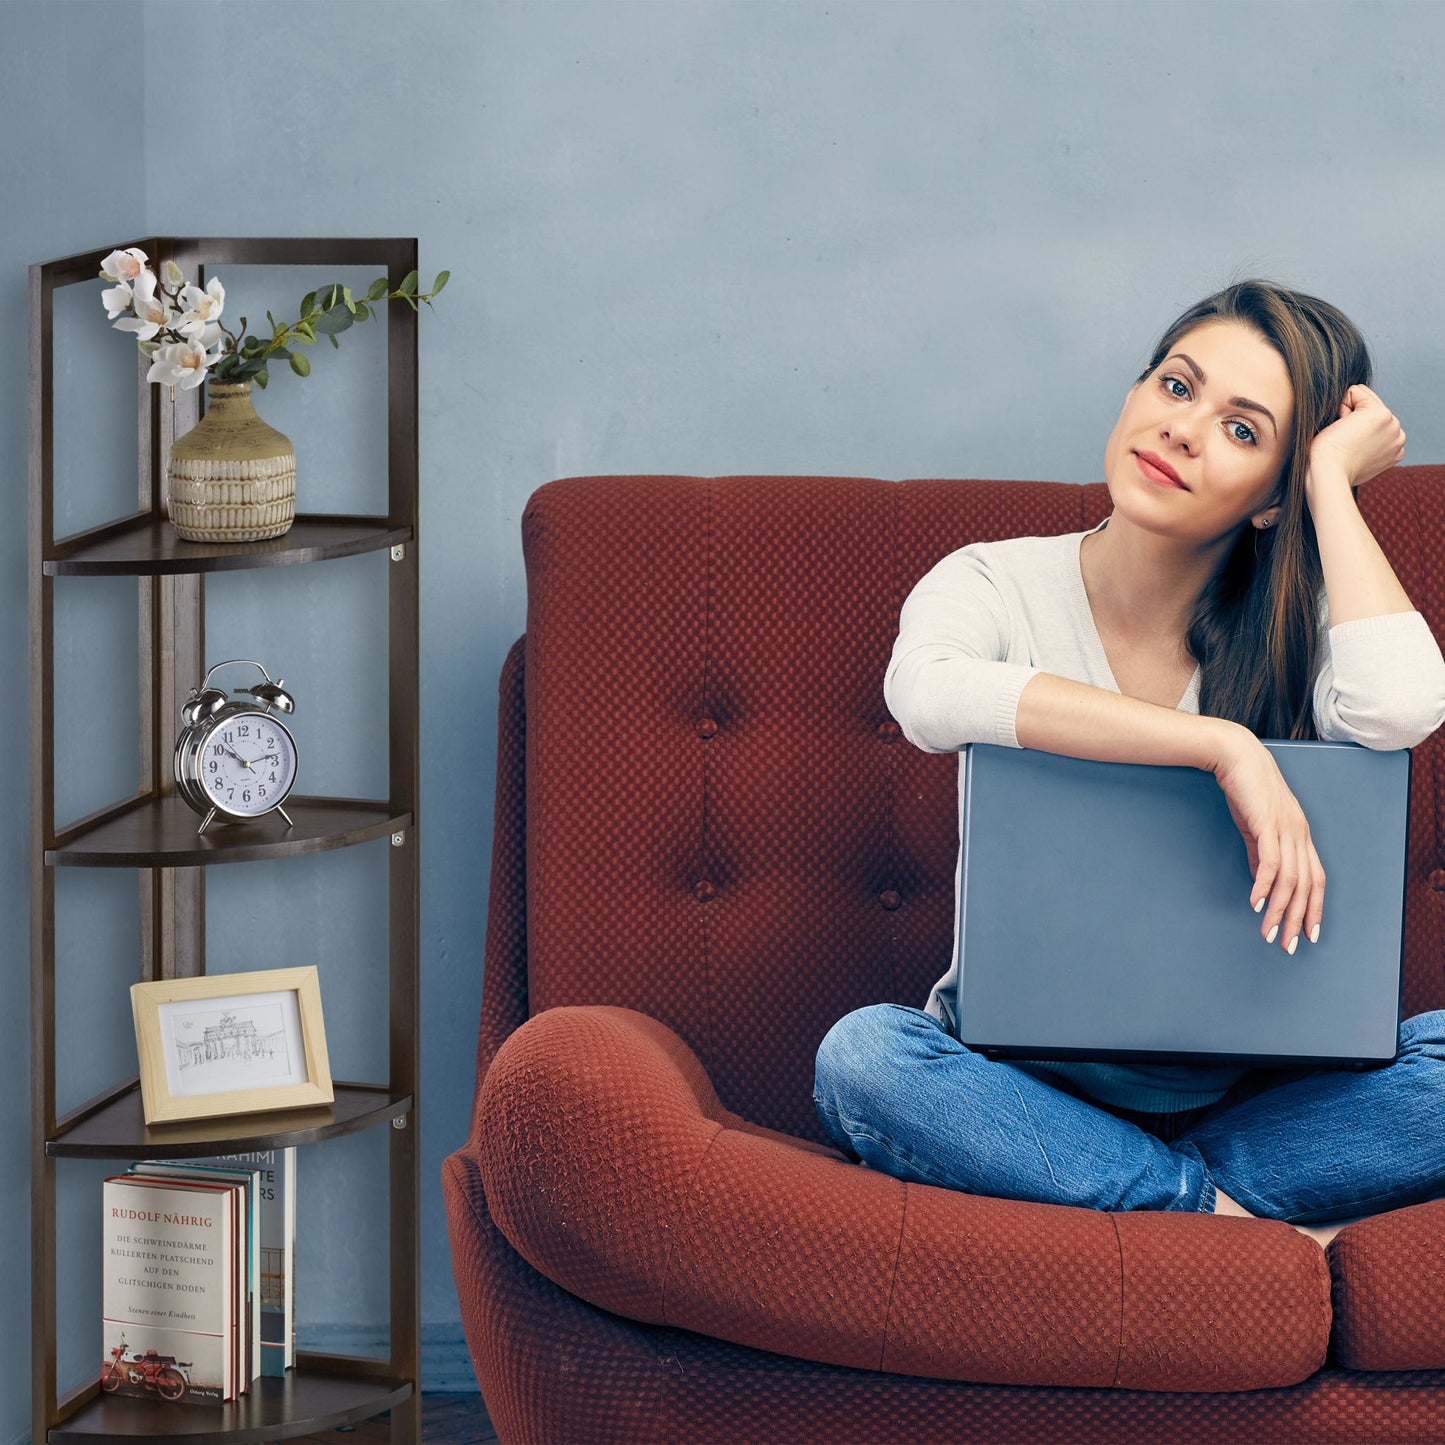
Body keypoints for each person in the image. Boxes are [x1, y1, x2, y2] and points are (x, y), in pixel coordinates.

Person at [812, 278, 1445, 1250]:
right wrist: (1217, 742)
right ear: (1133, 392)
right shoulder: (991, 580)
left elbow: (1401, 705)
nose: (1183, 430)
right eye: (1175, 385)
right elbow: (929, 692)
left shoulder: (1295, 631)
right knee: (863, 1056)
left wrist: (1327, 487)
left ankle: (1151, 1196)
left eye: (1242, 431)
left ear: (1270, 497)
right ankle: (1230, 1223)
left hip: (1261, 1103)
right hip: (1020, 1090)